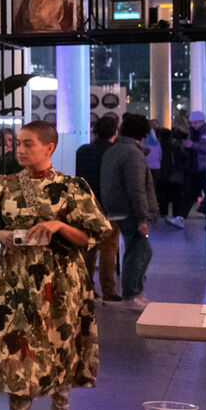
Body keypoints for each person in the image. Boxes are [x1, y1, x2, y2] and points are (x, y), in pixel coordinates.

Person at [0, 120, 109, 410]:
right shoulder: (2, 185)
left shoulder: (72, 187)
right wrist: (2, 235)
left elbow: (95, 235)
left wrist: (60, 225)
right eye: (18, 143)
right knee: (16, 350)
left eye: (28, 144)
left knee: (61, 344)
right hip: (14, 280)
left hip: (61, 280)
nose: (20, 149)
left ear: (49, 147)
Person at [101, 112, 160, 308]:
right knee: (139, 251)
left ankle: (134, 291)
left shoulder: (114, 150)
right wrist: (143, 216)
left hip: (116, 207)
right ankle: (132, 293)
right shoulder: (133, 154)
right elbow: (137, 188)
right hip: (130, 210)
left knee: (139, 250)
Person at [75, 115, 122, 302]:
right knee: (109, 248)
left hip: (86, 204)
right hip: (108, 204)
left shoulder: (83, 151)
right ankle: (108, 290)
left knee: (88, 247)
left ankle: (87, 288)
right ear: (115, 132)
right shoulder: (115, 153)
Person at [181, 110, 206, 223]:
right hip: (193, 167)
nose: (194, 125)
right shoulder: (189, 133)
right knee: (189, 193)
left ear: (202, 121)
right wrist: (185, 146)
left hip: (205, 167)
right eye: (192, 123)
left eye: (196, 122)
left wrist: (192, 145)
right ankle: (181, 217)